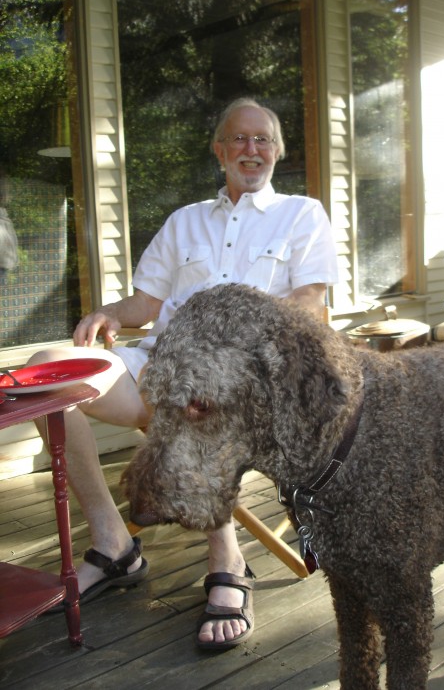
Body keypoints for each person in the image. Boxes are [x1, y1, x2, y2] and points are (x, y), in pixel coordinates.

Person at [27, 97, 339, 649]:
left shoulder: (302, 214)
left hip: (245, 380)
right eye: (239, 139)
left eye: (263, 139)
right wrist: (107, 314)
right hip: (157, 364)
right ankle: (114, 542)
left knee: (198, 392)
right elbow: (145, 304)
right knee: (46, 373)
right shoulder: (185, 221)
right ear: (220, 150)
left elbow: (309, 301)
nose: (252, 149)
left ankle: (227, 558)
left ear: (277, 151)